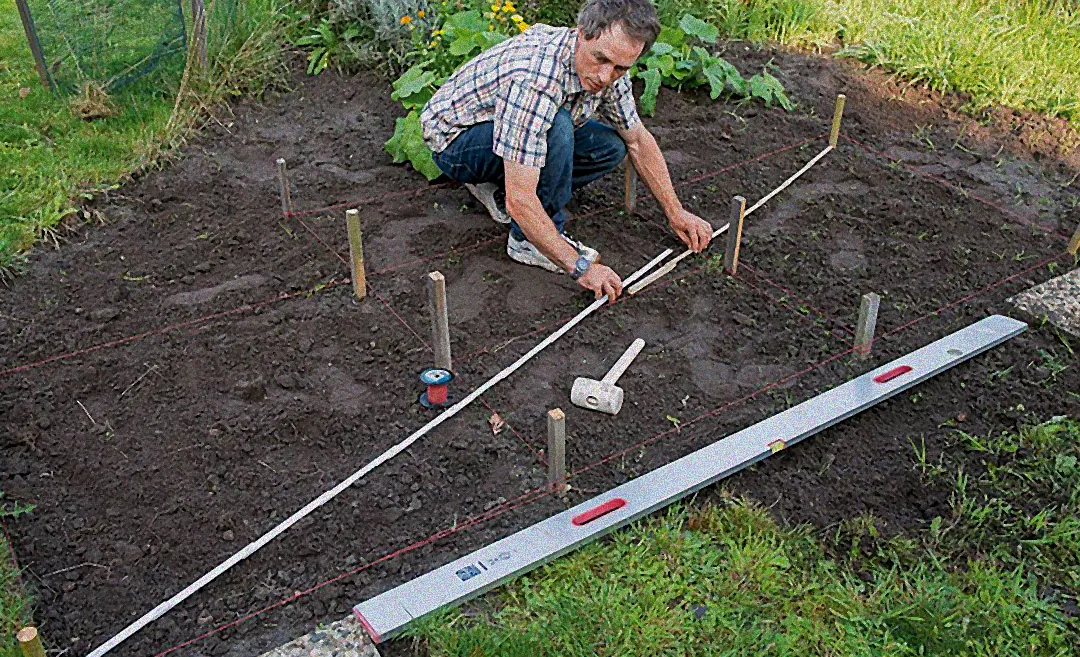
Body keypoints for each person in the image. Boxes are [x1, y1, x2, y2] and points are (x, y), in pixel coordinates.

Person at [420, 0, 713, 301]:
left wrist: (676, 213)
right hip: (456, 142)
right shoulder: (536, 78)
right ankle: (526, 241)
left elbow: (637, 139)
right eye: (600, 59)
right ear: (582, 32)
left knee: (610, 146)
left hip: (511, 129)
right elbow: (520, 200)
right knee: (555, 128)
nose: (605, 76)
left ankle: (501, 184)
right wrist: (580, 267)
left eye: (620, 68)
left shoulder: (610, 69)